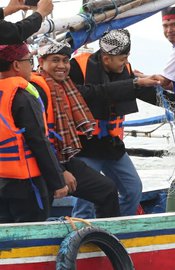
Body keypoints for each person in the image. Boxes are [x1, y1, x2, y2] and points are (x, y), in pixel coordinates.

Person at [68, 29, 161, 218]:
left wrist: (162, 89)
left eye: (127, 57)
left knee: (133, 189)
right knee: (84, 201)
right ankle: (81, 233)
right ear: (106, 58)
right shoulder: (77, 66)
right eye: (122, 58)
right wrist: (135, 84)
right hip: (84, 146)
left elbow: (134, 91)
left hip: (112, 145)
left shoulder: (125, 69)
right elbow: (87, 94)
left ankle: (113, 227)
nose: (125, 62)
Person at [30, 39, 120, 218]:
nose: (62, 66)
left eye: (65, 60)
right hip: (38, 164)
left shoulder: (66, 87)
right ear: (41, 62)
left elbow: (98, 91)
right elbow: (37, 140)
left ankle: (106, 240)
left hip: (62, 158)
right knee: (37, 213)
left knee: (107, 190)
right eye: (55, 60)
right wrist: (60, 173)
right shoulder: (37, 90)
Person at [0, 43, 68, 223]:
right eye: (29, 61)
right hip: (26, 185)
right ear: (16, 65)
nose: (31, 66)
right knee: (31, 229)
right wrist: (58, 181)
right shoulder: (22, 96)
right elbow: (38, 140)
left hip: (2, 181)